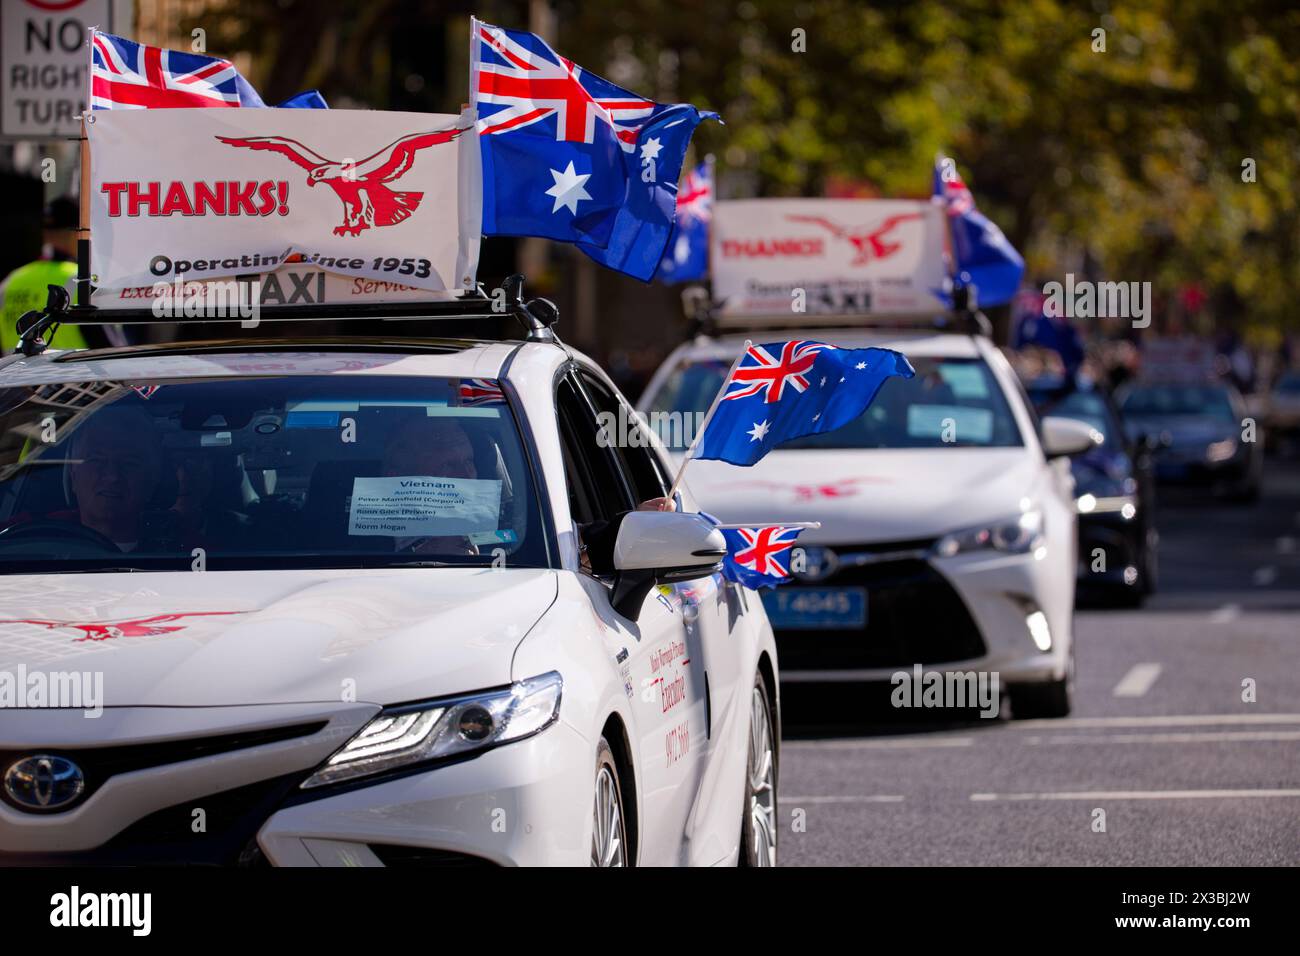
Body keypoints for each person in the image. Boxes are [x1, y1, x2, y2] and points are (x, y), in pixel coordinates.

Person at [0, 197, 91, 355]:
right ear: (78, 234)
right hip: (75, 378)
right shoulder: (80, 279)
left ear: (45, 234)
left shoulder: (10, 281)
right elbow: (108, 348)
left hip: (15, 377)